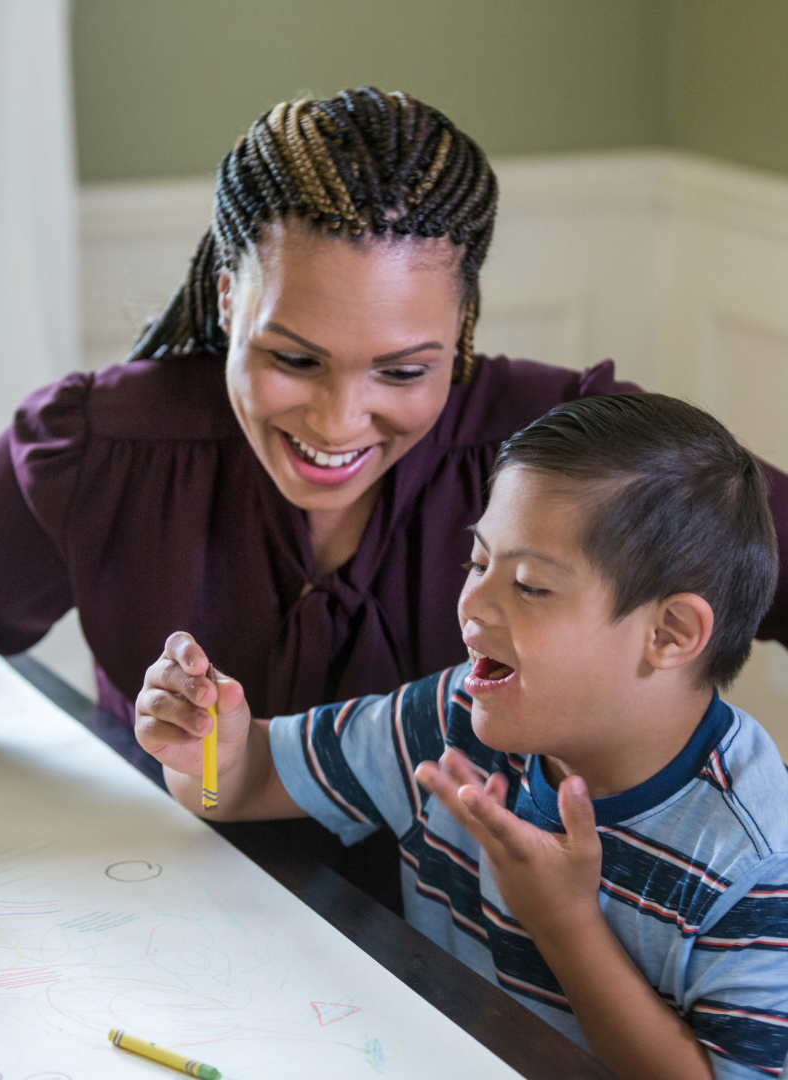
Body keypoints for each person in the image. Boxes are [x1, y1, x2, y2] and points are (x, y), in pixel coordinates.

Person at [0, 89, 788, 910]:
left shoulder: (575, 457)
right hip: (170, 919)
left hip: (492, 982)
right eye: (294, 359)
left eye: (403, 370)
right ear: (225, 301)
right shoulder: (104, 448)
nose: (341, 422)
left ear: (464, 322)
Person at [138, 394, 788, 1080]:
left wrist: (565, 925)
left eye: (530, 585)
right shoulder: (452, 719)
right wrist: (212, 747)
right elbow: (244, 784)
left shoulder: (753, 863)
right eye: (478, 563)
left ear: (670, 634)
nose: (474, 604)